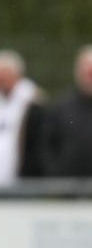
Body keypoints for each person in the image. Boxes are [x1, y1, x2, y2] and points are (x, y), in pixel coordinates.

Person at [0, 49, 45, 188]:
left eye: (5, 75)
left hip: (23, 184)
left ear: (17, 75)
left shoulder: (34, 105)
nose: (1, 80)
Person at [42, 45, 92, 176]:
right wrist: (55, 176)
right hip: (67, 185)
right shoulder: (60, 107)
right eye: (86, 71)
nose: (89, 75)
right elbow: (46, 147)